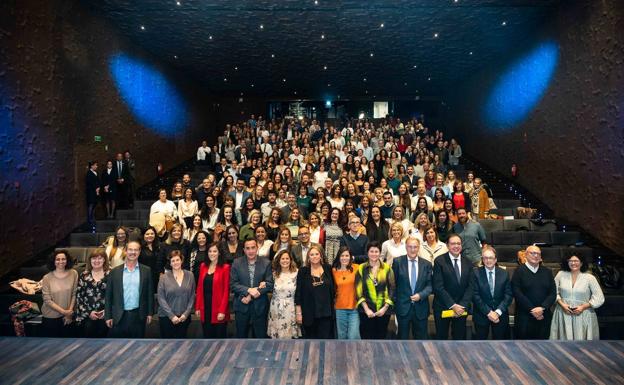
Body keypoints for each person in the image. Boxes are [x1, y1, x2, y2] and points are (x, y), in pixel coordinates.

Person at [105, 240, 154, 338]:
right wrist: (108, 316)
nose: (133, 252)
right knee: (118, 348)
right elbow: (108, 296)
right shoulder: (114, 272)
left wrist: (150, 313)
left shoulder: (146, 271)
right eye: (130, 250)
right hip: (119, 316)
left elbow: (149, 293)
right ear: (125, 251)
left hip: (138, 315)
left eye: (136, 250)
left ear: (139, 252)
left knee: (137, 347)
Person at [550, 254, 604, 340]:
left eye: (576, 261)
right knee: (563, 343)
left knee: (583, 344)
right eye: (570, 261)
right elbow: (553, 292)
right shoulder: (561, 274)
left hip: (583, 314)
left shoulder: (590, 277)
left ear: (581, 263)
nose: (573, 263)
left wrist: (583, 307)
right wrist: (562, 304)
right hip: (563, 313)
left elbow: (599, 297)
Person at [432, 234, 473, 340]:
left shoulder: (468, 262)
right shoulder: (439, 261)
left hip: (461, 309)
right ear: (447, 245)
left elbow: (471, 287)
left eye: (458, 243)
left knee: (460, 339)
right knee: (442, 339)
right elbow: (438, 286)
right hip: (443, 306)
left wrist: (462, 305)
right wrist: (453, 305)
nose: (456, 246)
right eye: (453, 243)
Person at [230, 238, 274, 338]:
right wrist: (248, 290)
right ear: (244, 250)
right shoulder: (236, 263)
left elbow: (269, 284)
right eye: (248, 248)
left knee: (260, 337)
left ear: (257, 248)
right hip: (242, 304)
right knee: (241, 337)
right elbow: (233, 284)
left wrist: (251, 295)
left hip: (260, 307)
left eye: (253, 248)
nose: (250, 251)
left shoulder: (266, 263)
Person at [511, 245, 557, 340]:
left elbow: (553, 293)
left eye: (538, 254)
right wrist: (532, 309)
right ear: (526, 255)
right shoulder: (519, 271)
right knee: (523, 348)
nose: (536, 256)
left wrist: (542, 308)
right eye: (533, 253)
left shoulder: (547, 272)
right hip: (524, 317)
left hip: (544, 316)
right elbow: (517, 292)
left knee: (543, 348)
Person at [392, 236, 432, 340]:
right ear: (406, 247)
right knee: (402, 340)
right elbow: (393, 284)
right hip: (403, 308)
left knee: (421, 341)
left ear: (419, 248)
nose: (413, 249)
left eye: (415, 247)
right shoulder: (397, 262)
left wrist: (421, 295)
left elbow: (430, 285)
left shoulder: (426, 264)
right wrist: (396, 302)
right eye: (410, 247)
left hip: (421, 308)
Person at [471, 246, 513, 340]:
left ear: (495, 260)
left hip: (500, 316)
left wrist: (497, 312)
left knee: (501, 346)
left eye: (491, 258)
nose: (488, 260)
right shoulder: (475, 273)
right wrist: (488, 312)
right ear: (482, 259)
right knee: (480, 346)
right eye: (485, 258)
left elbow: (508, 295)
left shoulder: (504, 273)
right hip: (481, 315)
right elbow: (475, 295)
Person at [355, 242, 395, 340]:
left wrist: (385, 308)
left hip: (383, 311)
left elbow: (392, 288)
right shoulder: (361, 268)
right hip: (366, 311)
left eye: (376, 251)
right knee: (366, 337)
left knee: (381, 338)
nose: (374, 254)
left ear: (380, 253)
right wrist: (366, 309)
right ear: (367, 253)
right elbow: (358, 290)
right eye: (371, 251)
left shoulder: (387, 268)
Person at [295, 245, 335, 339]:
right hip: (309, 314)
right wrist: (298, 313)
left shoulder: (328, 268)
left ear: (321, 255)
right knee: (310, 343)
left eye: (317, 254)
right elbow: (298, 293)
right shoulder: (303, 271)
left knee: (325, 342)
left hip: (326, 314)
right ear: (308, 257)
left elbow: (333, 290)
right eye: (311, 254)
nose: (314, 256)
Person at [157, 250, 196, 338]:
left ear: (181, 261)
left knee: (182, 347)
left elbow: (192, 296)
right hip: (166, 317)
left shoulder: (190, 275)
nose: (175, 262)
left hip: (183, 318)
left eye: (177, 260)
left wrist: (186, 314)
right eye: (173, 261)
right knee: (167, 347)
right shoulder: (163, 277)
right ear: (170, 263)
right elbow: (161, 298)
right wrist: (172, 316)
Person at [195, 242, 230, 338]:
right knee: (207, 336)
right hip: (205, 307)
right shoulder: (203, 266)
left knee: (219, 339)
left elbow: (226, 291)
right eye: (210, 251)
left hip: (218, 308)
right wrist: (197, 307)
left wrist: (222, 311)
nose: (212, 253)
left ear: (219, 253)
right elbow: (199, 288)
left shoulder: (225, 268)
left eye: (215, 251)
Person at [41, 250, 78, 337]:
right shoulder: (47, 278)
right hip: (50, 316)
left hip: (68, 315)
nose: (61, 261)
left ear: (67, 260)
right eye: (57, 259)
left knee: (68, 346)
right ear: (53, 261)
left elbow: (74, 294)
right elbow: (47, 300)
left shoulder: (73, 273)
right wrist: (65, 312)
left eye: (63, 259)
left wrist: (69, 313)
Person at [75, 248, 110, 338]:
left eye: (100, 258)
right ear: (90, 260)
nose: (96, 261)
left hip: (106, 315)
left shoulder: (111, 274)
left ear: (104, 260)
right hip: (88, 315)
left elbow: (115, 295)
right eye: (94, 258)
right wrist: (89, 312)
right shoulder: (84, 275)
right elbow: (79, 296)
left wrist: (107, 311)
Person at [268, 250, 301, 339]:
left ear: (291, 260)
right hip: (276, 308)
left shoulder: (297, 273)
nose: (285, 260)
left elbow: (300, 292)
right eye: (282, 259)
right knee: (277, 336)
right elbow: (268, 285)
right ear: (279, 260)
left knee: (289, 336)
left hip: (290, 308)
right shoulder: (274, 274)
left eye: (287, 258)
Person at [332, 247, 360, 339]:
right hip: (339, 308)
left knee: (353, 336)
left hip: (354, 308)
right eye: (342, 255)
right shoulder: (334, 271)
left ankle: (356, 353)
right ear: (339, 257)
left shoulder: (357, 268)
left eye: (347, 255)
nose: (344, 258)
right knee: (342, 336)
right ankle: (342, 353)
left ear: (351, 257)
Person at [140, 226, 160, 293]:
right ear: (143, 235)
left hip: (157, 277)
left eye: (152, 233)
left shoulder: (159, 246)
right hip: (144, 277)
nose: (150, 236)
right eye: (147, 234)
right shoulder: (139, 248)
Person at [86, 161, 100, 230]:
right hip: (91, 192)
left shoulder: (96, 173)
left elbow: (97, 181)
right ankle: (90, 218)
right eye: (95, 165)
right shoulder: (89, 173)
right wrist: (95, 188)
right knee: (91, 205)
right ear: (92, 166)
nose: (96, 166)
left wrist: (98, 188)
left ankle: (93, 217)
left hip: (96, 192)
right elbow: (90, 183)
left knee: (94, 204)